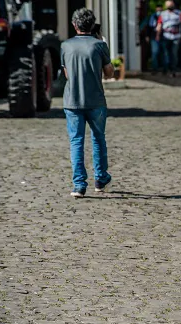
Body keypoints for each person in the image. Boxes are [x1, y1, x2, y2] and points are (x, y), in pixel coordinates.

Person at [60, 8, 114, 198]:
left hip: (72, 101)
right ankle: (100, 178)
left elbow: (67, 75)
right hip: (95, 100)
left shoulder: (65, 46)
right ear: (92, 25)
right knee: (98, 138)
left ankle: (79, 185)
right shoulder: (99, 46)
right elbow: (109, 73)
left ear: (74, 25)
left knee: (76, 141)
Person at [156, 0, 181, 77]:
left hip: (176, 37)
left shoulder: (179, 13)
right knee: (165, 54)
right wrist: (158, 35)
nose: (170, 6)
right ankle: (166, 69)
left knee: (174, 53)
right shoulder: (163, 14)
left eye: (171, 4)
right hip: (166, 36)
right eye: (168, 5)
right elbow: (159, 25)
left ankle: (173, 70)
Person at [146, 5, 163, 73]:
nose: (158, 12)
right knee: (154, 53)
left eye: (160, 10)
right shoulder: (152, 17)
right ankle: (155, 69)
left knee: (164, 53)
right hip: (154, 37)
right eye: (157, 10)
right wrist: (147, 36)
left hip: (164, 37)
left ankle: (165, 69)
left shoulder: (165, 16)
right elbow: (149, 27)